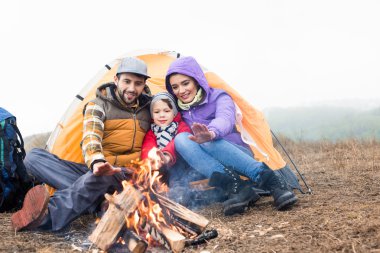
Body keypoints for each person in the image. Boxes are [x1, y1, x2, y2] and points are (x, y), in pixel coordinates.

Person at [11, 57, 152, 232]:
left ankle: (47, 217)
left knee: (100, 177)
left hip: (125, 174)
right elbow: (91, 137)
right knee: (33, 157)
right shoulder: (97, 105)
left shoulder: (149, 108)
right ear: (116, 80)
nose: (132, 88)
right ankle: (96, 200)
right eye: (127, 81)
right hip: (97, 167)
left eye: (138, 83)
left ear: (144, 84)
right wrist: (97, 162)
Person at [165, 56, 298, 214]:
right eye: (175, 87)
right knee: (181, 139)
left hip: (235, 154)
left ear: (196, 80)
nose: (181, 91)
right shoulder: (178, 109)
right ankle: (238, 188)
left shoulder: (219, 96)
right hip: (209, 164)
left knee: (207, 141)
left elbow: (225, 118)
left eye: (185, 83)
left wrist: (212, 133)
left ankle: (272, 181)